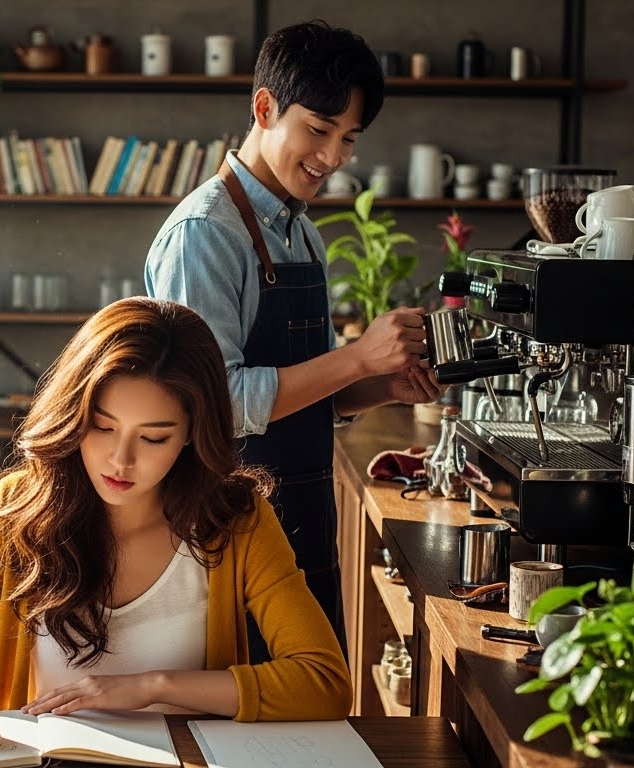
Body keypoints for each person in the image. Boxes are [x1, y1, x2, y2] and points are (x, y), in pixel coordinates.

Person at [0, 297, 352, 746]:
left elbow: (323, 681)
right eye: (103, 427)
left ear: (191, 433)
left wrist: (153, 686)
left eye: (153, 438)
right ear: (74, 414)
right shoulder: (15, 510)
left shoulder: (236, 521)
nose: (120, 460)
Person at [145, 21, 443, 652]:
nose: (334, 157)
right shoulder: (206, 233)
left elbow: (308, 393)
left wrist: (381, 385)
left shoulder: (300, 233)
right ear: (264, 109)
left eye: (349, 138)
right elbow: (215, 405)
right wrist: (357, 357)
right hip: (224, 531)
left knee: (312, 692)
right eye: (318, 129)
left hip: (302, 519)